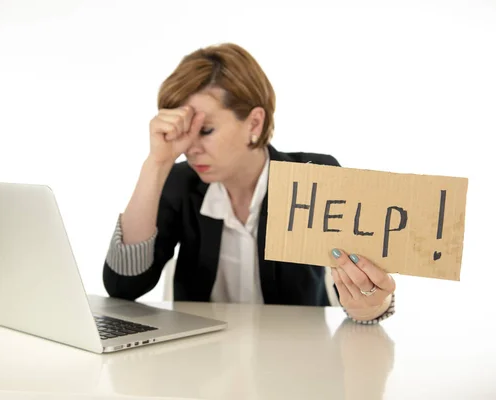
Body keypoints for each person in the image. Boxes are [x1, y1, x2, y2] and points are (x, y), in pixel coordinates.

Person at [103, 42, 395, 324]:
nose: (190, 147)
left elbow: (366, 291)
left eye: (205, 130)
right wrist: (157, 163)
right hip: (201, 365)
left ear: (254, 123)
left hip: (296, 361)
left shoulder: (312, 176)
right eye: (183, 130)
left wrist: (370, 306)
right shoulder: (180, 183)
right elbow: (123, 286)